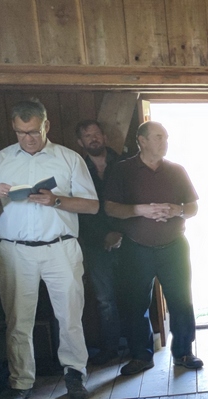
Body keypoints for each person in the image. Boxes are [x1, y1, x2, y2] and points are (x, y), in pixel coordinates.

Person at [0, 100, 99, 399]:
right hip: (15, 251)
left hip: (60, 247)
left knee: (70, 315)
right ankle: (20, 382)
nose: (27, 138)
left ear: (46, 126)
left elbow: (92, 205)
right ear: (14, 128)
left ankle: (75, 374)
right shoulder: (0, 161)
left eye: (33, 131)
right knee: (18, 319)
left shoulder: (68, 158)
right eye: (21, 132)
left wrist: (56, 201)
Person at [104, 121, 204, 375]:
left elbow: (193, 207)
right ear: (142, 140)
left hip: (174, 246)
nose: (164, 142)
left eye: (166, 137)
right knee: (136, 303)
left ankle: (183, 352)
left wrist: (176, 210)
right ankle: (141, 356)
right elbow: (110, 208)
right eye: (159, 137)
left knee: (181, 300)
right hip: (136, 247)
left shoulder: (176, 170)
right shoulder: (123, 170)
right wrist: (140, 210)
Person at [74, 119, 126, 365]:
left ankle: (139, 346)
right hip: (95, 242)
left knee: (134, 292)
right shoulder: (77, 170)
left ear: (105, 137)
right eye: (87, 136)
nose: (93, 138)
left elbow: (132, 199)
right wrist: (103, 236)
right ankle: (111, 348)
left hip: (128, 238)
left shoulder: (124, 164)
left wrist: (120, 233)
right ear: (80, 142)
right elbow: (80, 212)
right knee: (105, 299)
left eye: (96, 134)